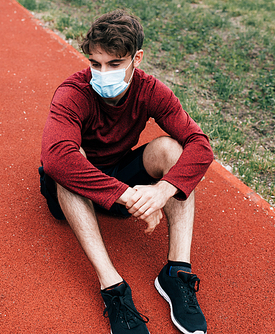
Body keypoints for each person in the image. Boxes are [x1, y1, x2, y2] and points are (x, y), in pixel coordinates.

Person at [38, 9, 213, 334]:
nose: (102, 74)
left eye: (114, 64)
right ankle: (113, 288)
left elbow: (200, 145)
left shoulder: (151, 90)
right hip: (75, 189)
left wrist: (162, 190)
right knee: (70, 158)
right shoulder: (73, 92)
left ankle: (177, 272)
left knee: (170, 149)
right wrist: (125, 194)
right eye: (96, 63)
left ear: (137, 58)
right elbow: (55, 158)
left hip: (120, 173)